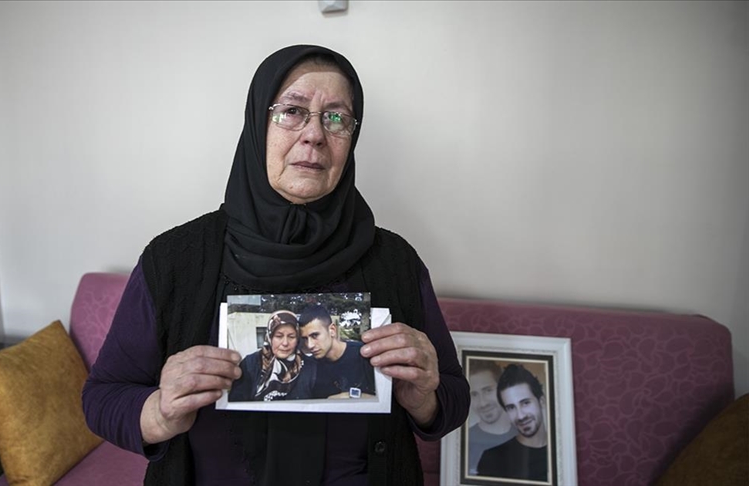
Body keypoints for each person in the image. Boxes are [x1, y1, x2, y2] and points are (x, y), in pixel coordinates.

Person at [82, 44, 470, 486]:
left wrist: (425, 398)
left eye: (337, 118)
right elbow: (101, 397)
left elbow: (453, 399)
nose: (315, 134)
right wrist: (158, 412)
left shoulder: (395, 261)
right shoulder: (174, 259)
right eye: (292, 111)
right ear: (257, 125)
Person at [476, 364, 549, 481]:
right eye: (511, 407)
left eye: (525, 403)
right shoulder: (492, 460)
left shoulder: (562, 452)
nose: (520, 416)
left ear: (542, 402)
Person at [228, 310, 315, 401]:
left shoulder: (309, 366)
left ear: (297, 339)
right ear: (270, 337)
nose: (285, 343)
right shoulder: (251, 363)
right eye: (279, 336)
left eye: (291, 337)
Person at [298, 303, 375, 399]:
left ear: (332, 330)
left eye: (315, 335)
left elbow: (386, 397)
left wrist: (350, 396)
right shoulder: (311, 366)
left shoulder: (364, 355)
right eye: (305, 339)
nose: (310, 345)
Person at [466, 360, 516, 475]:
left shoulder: (526, 437)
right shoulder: (462, 442)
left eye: (488, 390)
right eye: (474, 394)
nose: (483, 403)